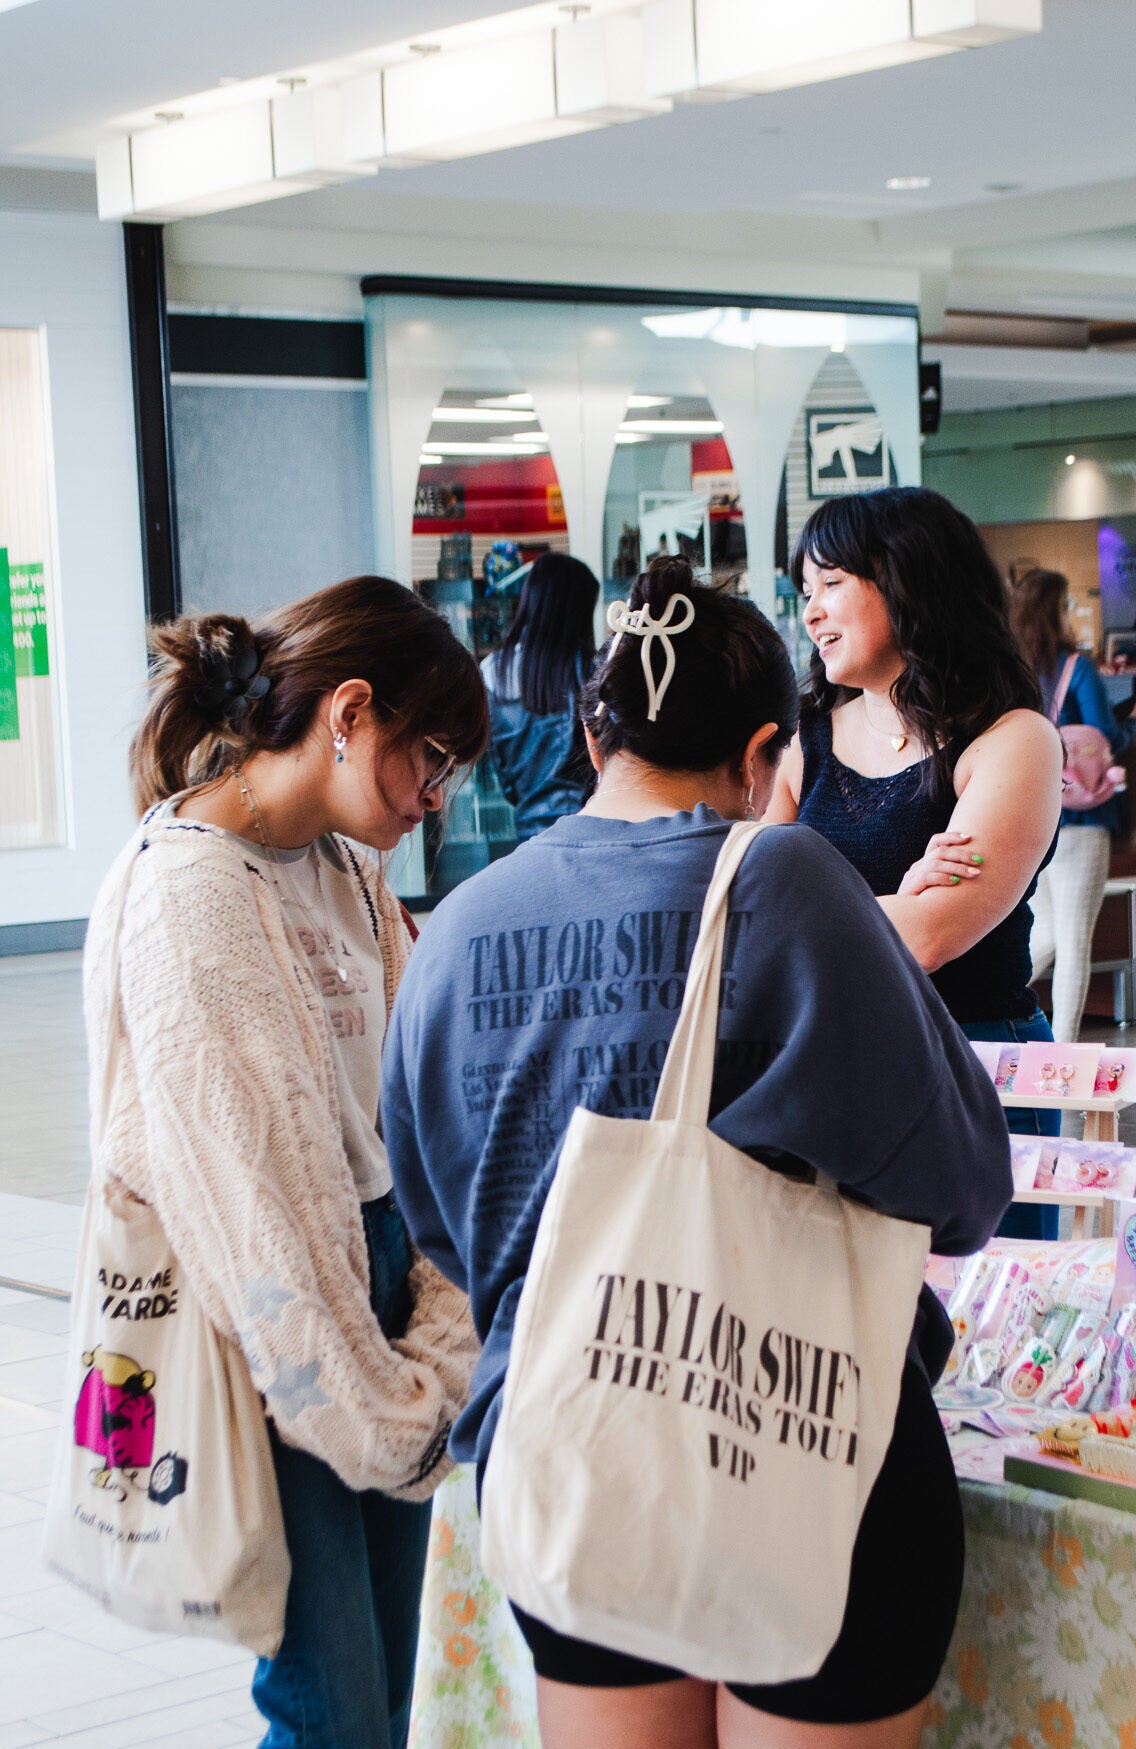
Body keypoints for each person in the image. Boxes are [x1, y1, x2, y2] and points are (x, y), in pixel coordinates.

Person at [383, 554, 1012, 1749]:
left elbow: (441, 1220)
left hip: (568, 1445)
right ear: (768, 751)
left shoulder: (456, 926)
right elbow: (965, 1184)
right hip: (812, 1450)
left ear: (588, 725)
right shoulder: (786, 882)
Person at [85, 576, 488, 1749]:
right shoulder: (187, 889)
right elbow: (241, 1192)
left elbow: (414, 1096)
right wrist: (372, 1391)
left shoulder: (349, 867)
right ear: (349, 713)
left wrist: (430, 1320)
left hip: (382, 1277)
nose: (436, 798)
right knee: (334, 1709)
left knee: (387, 1691)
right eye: (429, 758)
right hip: (268, 1316)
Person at [765, 488, 1063, 1237]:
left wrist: (825, 914)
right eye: (805, 591)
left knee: (991, 1331)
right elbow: (748, 919)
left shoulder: (1013, 738)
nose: (810, 612)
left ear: (907, 582)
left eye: (831, 583)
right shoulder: (805, 738)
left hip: (978, 1063)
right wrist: (896, 899)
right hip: (835, 1062)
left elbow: (932, 940)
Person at [1010, 566, 1136, 1045]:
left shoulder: (1012, 667)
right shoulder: (1075, 667)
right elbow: (1104, 733)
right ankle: (1062, 1055)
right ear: (1056, 611)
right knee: (1074, 941)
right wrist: (1133, 728)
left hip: (1034, 816)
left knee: (1043, 931)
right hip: (1084, 817)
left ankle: (967, 1010)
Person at [481, 551, 599, 840]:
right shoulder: (591, 669)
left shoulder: (495, 670)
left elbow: (501, 766)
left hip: (526, 829)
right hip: (589, 825)